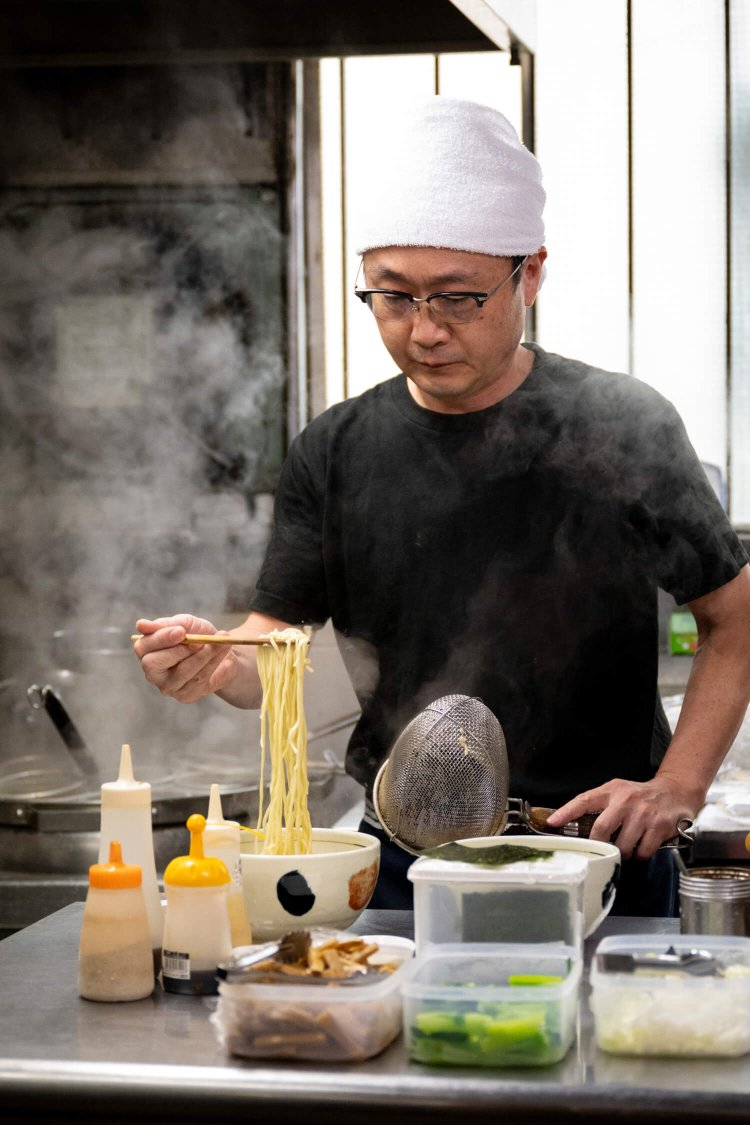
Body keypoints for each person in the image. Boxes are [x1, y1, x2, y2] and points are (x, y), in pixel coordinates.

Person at [133, 97, 750, 917]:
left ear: (529, 272)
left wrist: (678, 783)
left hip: (597, 853)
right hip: (402, 861)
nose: (424, 330)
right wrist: (213, 662)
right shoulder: (337, 446)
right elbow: (267, 647)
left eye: (457, 297)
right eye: (393, 296)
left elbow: (733, 617)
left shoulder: (624, 424)